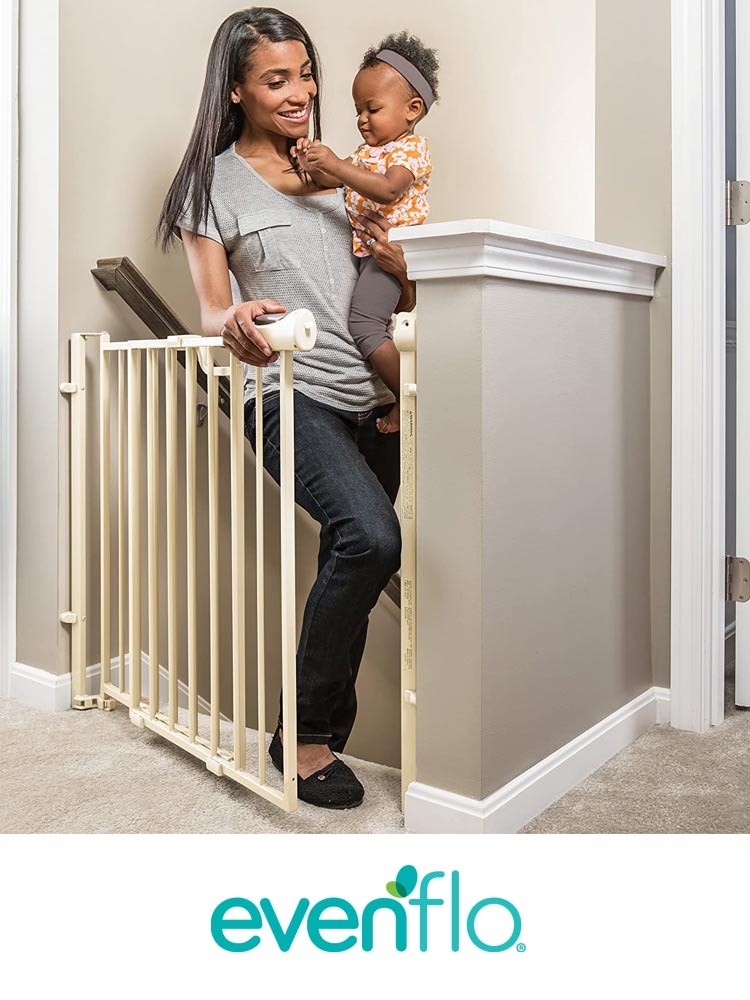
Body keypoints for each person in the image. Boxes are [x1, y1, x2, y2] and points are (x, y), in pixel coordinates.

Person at [157, 7, 414, 810]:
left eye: (305, 75)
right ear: (236, 90)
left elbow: (389, 280)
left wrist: (405, 266)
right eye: (276, 80)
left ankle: (315, 737)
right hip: (285, 393)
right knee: (371, 536)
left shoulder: (346, 167)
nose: (300, 92)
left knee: (362, 557)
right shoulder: (213, 182)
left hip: (376, 398)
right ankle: (302, 737)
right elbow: (207, 309)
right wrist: (230, 318)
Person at [293, 31, 438, 434]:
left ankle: (410, 397)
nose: (361, 119)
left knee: (365, 326)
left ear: (411, 109)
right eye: (358, 109)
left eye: (372, 108)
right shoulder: (364, 154)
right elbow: (339, 186)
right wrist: (311, 164)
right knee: (373, 325)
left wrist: (337, 166)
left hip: (388, 251)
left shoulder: (410, 149)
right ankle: (399, 394)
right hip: (364, 249)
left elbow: (388, 188)